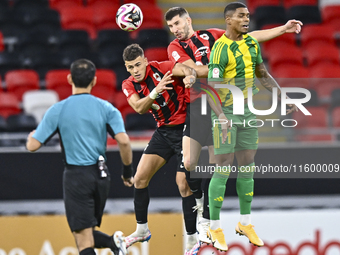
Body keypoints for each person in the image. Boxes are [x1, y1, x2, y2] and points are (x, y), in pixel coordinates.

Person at [164, 6, 303, 244]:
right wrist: (223, 62)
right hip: (200, 105)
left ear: (188, 20)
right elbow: (197, 70)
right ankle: (199, 203)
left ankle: (212, 222)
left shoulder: (210, 36)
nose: (174, 30)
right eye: (170, 27)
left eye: (177, 23)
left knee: (222, 164)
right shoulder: (175, 47)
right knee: (190, 163)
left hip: (227, 104)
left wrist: (283, 29)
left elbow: (249, 37)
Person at [206, 2, 298, 251]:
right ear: (228, 20)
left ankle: (245, 222)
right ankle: (214, 227)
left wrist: (282, 96)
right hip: (225, 112)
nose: (247, 19)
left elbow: (263, 74)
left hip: (247, 111)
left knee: (247, 164)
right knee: (224, 166)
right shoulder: (219, 50)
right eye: (241, 16)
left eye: (248, 15)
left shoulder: (251, 43)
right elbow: (211, 87)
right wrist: (220, 117)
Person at [26, 59, 133, 255]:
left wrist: (30, 137)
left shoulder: (58, 109)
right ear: (94, 81)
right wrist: (127, 173)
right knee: (87, 231)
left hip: (76, 177)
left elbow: (33, 146)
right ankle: (113, 242)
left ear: (69, 79)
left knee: (83, 241)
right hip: (102, 177)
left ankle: (113, 242)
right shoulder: (107, 108)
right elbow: (124, 142)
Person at [121, 44, 200, 255]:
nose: (135, 70)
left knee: (182, 184)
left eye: (138, 64)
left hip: (186, 129)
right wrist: (156, 91)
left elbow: (185, 68)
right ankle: (142, 230)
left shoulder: (162, 68)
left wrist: (188, 76)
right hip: (164, 132)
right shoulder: (128, 84)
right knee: (139, 179)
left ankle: (192, 240)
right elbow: (138, 107)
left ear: (145, 61)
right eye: (130, 67)